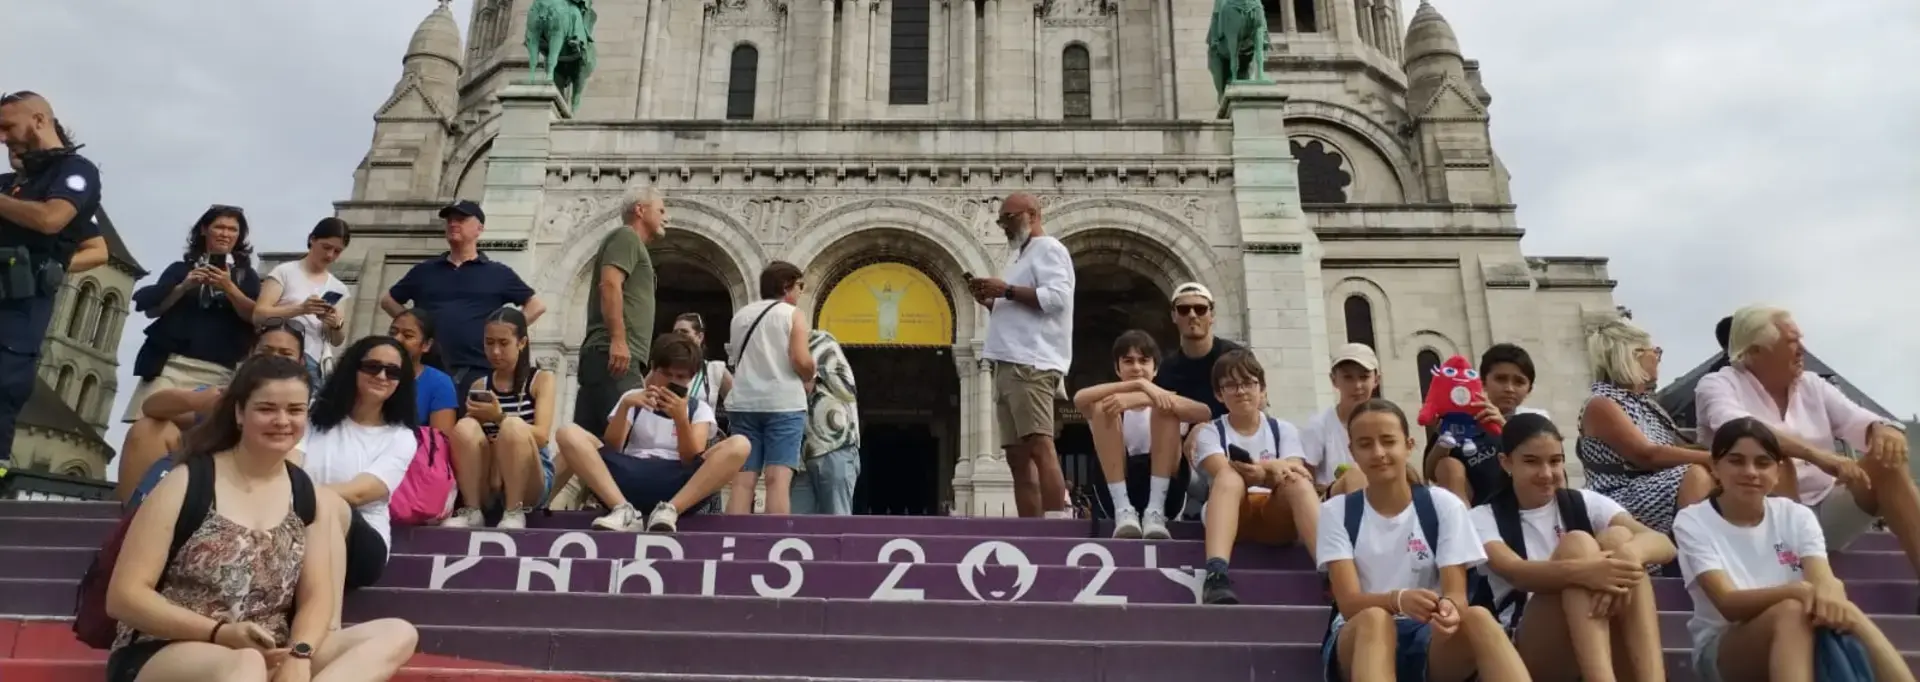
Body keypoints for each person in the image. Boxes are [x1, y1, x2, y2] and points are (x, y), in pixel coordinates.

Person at [103, 355, 417, 682]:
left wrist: (301, 653)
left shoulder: (304, 492)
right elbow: (124, 597)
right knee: (246, 664)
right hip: (173, 646)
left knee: (397, 633)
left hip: (271, 646)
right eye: (267, 409)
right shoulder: (187, 481)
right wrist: (220, 633)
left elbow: (317, 597)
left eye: (295, 410)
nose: (282, 421)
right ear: (240, 413)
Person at [1674, 416, 1913, 682]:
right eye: (1736, 460)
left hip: (1803, 630)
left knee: (1842, 609)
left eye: (1762, 463)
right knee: (1790, 611)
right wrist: (1798, 591)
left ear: (1777, 473)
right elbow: (1728, 604)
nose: (1751, 472)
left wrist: (1829, 595)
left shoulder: (1796, 515)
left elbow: (1822, 577)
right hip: (1723, 647)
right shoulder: (1693, 520)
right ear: (1715, 468)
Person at [1695, 305, 1918, 580]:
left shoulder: (1812, 384)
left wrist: (1884, 430)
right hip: (1759, 519)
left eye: (1800, 339)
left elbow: (1859, 420)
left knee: (1888, 458)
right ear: (1754, 351)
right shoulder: (1717, 384)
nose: (1802, 349)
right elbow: (1740, 429)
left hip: (1826, 510)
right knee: (1774, 459)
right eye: (1791, 342)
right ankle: (1790, 574)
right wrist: (1818, 456)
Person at [1317, 398, 1527, 682]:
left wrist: (1450, 610)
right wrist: (1398, 600)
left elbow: (1455, 593)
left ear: (1409, 445)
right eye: (1365, 444)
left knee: (1478, 617)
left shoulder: (1444, 505)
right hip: (1358, 636)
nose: (1378, 452)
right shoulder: (1336, 511)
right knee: (1376, 620)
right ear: (1353, 451)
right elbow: (1349, 603)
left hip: (1427, 635)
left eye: (1388, 441)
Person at [1470, 413, 1670, 682]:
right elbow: (1515, 571)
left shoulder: (1585, 501)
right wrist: (1587, 571)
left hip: (1601, 633)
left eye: (1555, 461)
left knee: (1620, 538)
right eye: (1531, 462)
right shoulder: (1481, 517)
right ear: (1506, 463)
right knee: (1578, 544)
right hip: (1531, 647)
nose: (1546, 473)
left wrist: (1625, 557)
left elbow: (1663, 543)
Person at [554, 333, 750, 532]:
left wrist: (681, 419)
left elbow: (691, 458)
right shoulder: (632, 397)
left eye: (680, 377)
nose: (672, 382)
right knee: (568, 432)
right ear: (654, 369)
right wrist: (625, 408)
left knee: (740, 444)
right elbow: (612, 448)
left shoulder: (698, 408)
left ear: (691, 378)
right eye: (666, 374)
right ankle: (622, 509)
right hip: (628, 475)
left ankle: (671, 510)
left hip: (677, 483)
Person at [0, 92, 104, 458]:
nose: (2, 137)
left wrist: (50, 271)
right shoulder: (8, 183)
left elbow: (50, 220)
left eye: (8, 126)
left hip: (19, 309)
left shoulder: (76, 172)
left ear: (39, 120)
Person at [115, 321, 306, 502]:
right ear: (250, 354)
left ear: (301, 361)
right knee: (148, 428)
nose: (273, 359)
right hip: (207, 482)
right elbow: (151, 406)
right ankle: (135, 519)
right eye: (265, 351)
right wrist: (196, 401)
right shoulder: (225, 395)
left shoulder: (313, 408)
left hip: (270, 490)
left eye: (285, 354)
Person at [301, 336, 420, 627]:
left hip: (363, 545)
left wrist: (297, 496)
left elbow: (360, 493)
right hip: (296, 524)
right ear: (353, 368)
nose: (381, 376)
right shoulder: (311, 413)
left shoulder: (401, 437)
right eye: (372, 367)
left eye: (393, 372)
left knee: (334, 506)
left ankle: (327, 626)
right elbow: (289, 463)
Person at [970, 192, 1076, 518]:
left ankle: (1057, 523)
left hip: (1032, 360)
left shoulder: (1050, 249)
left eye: (1009, 218)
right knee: (1016, 455)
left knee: (1039, 444)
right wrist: (991, 300)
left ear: (1032, 214)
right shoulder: (1018, 256)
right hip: (1007, 360)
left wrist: (1006, 291)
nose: (1003, 226)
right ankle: (1030, 527)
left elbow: (1057, 298)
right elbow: (1018, 303)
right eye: (1001, 220)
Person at [1188, 349, 1314, 604]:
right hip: (1234, 513)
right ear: (1219, 394)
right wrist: (1271, 469)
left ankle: (1331, 572)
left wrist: (1260, 472)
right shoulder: (1211, 432)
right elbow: (1220, 470)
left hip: (1275, 514)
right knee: (1228, 478)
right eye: (1231, 385)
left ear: (1262, 389)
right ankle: (1216, 575)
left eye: (1248, 383)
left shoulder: (1284, 429)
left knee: (1297, 483)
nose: (1241, 391)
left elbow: (1295, 470)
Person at [379, 200, 544, 391]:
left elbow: (536, 306)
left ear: (479, 228)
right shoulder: (424, 270)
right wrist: (414, 328)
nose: (453, 224)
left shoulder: (498, 273)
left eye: (461, 219)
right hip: (427, 368)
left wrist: (504, 334)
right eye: (449, 220)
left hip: (478, 370)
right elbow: (388, 301)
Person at [123, 205, 264, 425]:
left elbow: (255, 317)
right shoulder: (180, 269)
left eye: (232, 229)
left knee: (201, 436)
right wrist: (184, 286)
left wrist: (229, 287)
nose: (225, 234)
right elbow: (153, 310)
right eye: (219, 227)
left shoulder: (246, 276)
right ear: (204, 230)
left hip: (219, 369)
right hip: (170, 363)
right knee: (149, 425)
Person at [1576, 317, 1713, 535]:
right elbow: (1648, 455)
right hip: (1618, 496)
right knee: (1696, 474)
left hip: (1653, 485)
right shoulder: (1602, 404)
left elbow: (1679, 449)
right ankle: (1698, 556)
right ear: (1634, 355)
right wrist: (1716, 459)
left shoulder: (1645, 403)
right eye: (1655, 351)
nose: (1658, 358)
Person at [1072, 330, 1209, 538]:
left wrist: (1146, 398)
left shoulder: (1167, 398)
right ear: (1118, 368)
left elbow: (1205, 412)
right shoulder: (1112, 402)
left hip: (1166, 495)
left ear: (1155, 368)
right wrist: (1138, 385)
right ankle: (1123, 510)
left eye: (1144, 361)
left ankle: (1155, 510)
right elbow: (1079, 399)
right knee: (1101, 407)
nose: (1136, 367)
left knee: (1166, 410)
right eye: (1128, 361)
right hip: (1118, 493)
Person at [443, 307, 557, 529]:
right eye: (489, 342)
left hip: (530, 478)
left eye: (503, 343)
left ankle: (514, 511)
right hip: (491, 475)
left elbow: (542, 437)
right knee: (465, 426)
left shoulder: (541, 379)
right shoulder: (480, 385)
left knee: (514, 425)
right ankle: (472, 509)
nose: (495, 351)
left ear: (521, 343)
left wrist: (499, 417)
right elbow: (468, 439)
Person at [724, 261, 813, 515]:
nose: (800, 292)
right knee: (778, 479)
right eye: (799, 286)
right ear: (786, 286)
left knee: (742, 481)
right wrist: (811, 372)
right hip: (783, 404)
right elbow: (800, 360)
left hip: (743, 402)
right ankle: (775, 543)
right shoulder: (792, 314)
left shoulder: (741, 316)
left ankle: (735, 541)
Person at [575, 186, 664, 437]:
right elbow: (610, 283)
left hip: (606, 356)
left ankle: (544, 479)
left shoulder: (629, 242)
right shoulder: (626, 237)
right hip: (614, 357)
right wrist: (618, 339)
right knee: (633, 436)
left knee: (586, 441)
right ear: (640, 209)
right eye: (660, 210)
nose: (665, 216)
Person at [1429, 343, 1549, 506]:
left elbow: (1545, 468)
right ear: (1482, 382)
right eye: (1500, 379)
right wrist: (1444, 439)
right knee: (1449, 465)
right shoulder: (1460, 418)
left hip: (1522, 509)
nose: (1509, 388)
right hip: (1475, 512)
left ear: (1529, 389)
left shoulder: (1536, 424)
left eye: (1519, 382)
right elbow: (1430, 473)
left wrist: (1503, 427)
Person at [254, 218, 350, 386]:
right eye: (326, 247)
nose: (330, 255)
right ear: (312, 240)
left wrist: (335, 324)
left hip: (312, 361)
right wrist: (300, 309)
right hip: (278, 353)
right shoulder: (284, 272)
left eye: (337, 251)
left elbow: (337, 340)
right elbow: (258, 315)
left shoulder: (339, 288)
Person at [792, 329, 862, 515]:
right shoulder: (779, 348)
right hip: (799, 458)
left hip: (833, 448)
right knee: (796, 533)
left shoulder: (818, 340)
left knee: (836, 529)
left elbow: (807, 384)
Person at [1301, 343, 1383, 499]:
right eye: (1348, 377)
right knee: (1355, 476)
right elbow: (1305, 480)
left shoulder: (1387, 423)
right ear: (1334, 380)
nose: (1357, 386)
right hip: (1333, 504)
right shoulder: (1319, 425)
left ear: (1376, 380)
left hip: (1379, 499)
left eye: (1364, 377)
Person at [388, 308, 457, 435]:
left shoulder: (439, 383)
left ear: (426, 345)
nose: (397, 339)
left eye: (408, 335)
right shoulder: (372, 374)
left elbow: (439, 442)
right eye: (393, 332)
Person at [672, 312, 732, 419]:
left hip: (702, 432)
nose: (678, 336)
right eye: (675, 332)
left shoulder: (715, 369)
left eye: (684, 332)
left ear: (699, 337)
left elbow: (736, 403)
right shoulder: (663, 366)